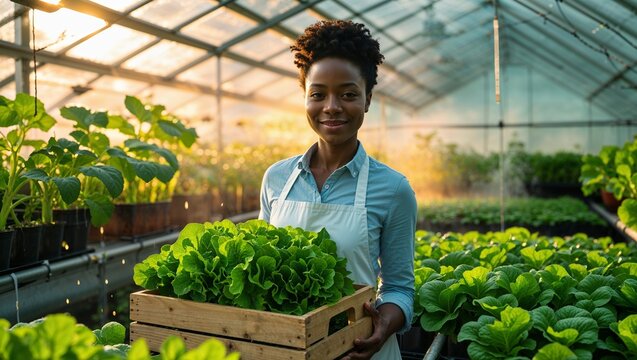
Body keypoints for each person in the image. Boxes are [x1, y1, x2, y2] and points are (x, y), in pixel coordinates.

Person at [258, 20, 416, 360]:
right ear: (305, 98)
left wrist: (381, 328)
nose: (331, 106)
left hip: (362, 351)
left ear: (368, 99)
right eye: (318, 94)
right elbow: (259, 274)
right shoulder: (276, 179)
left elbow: (400, 288)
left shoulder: (393, 189)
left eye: (348, 94)